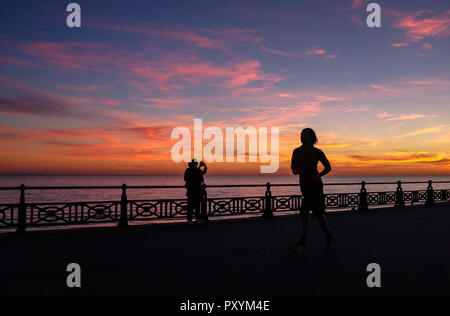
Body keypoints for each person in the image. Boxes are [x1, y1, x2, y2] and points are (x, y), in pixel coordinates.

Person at [290, 128, 335, 252]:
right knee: (318, 213)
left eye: (305, 135)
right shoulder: (296, 151)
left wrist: (318, 175)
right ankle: (329, 235)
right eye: (301, 135)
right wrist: (296, 171)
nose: (302, 137)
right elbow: (293, 168)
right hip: (304, 185)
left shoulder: (317, 152)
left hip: (315, 186)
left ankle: (303, 242)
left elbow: (328, 167)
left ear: (312, 137)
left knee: (305, 213)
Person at [184, 159, 208, 224]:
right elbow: (189, 177)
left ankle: (197, 219)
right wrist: (199, 167)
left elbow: (203, 173)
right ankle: (189, 219)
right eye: (194, 164)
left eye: (195, 164)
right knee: (190, 206)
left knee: (197, 206)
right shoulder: (188, 170)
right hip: (191, 190)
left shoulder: (198, 170)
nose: (195, 165)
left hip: (198, 190)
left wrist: (205, 167)